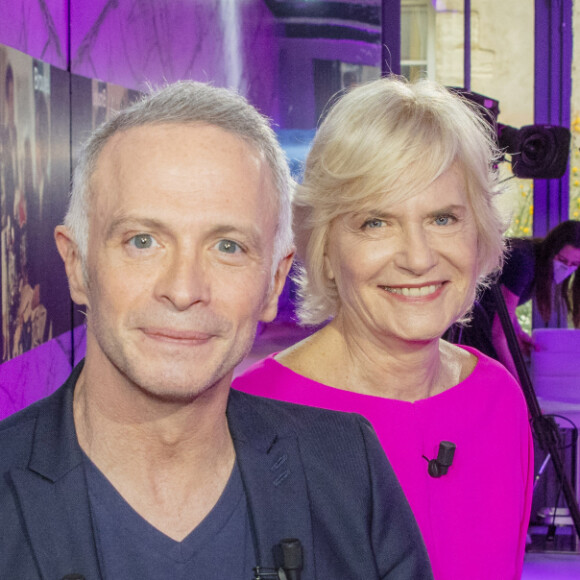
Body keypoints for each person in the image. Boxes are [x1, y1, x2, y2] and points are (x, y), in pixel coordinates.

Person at [0, 81, 432, 580]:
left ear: (273, 282)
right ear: (77, 266)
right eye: (143, 240)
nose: (184, 290)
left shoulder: (349, 472)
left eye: (228, 247)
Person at [233, 76, 533, 580]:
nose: (418, 257)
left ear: (478, 231)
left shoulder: (498, 398)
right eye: (376, 222)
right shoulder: (245, 420)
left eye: (442, 218)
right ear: (325, 246)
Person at [448, 220, 580, 378]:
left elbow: (504, 304)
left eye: (575, 264)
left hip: (479, 318)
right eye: (562, 260)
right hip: (467, 322)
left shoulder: (534, 260)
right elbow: (499, 333)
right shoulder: (524, 262)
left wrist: (517, 332)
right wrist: (517, 381)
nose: (566, 268)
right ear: (551, 250)